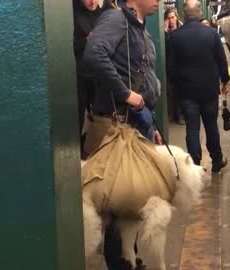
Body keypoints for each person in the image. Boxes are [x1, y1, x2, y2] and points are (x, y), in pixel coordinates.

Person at [82, 0, 162, 268]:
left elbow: (143, 75)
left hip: (136, 125)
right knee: (118, 205)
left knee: (133, 202)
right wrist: (126, 94)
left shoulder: (139, 28)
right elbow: (94, 54)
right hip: (117, 127)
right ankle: (121, 262)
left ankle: (129, 255)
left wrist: (153, 125)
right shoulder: (116, 20)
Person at [167, 0, 230, 173]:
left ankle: (195, 166)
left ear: (183, 15)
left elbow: (170, 68)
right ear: (200, 14)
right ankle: (216, 160)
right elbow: (221, 61)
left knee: (192, 129)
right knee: (211, 127)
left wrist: (178, 85)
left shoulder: (175, 37)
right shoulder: (211, 34)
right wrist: (224, 81)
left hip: (187, 94)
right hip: (209, 92)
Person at [73, 0, 105, 159]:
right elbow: (68, 44)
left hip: (99, 73)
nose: (92, 1)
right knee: (78, 115)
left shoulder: (104, 14)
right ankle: (79, 150)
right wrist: (86, 40)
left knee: (101, 115)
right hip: (80, 74)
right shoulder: (73, 14)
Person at [164, 8, 185, 125]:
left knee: (180, 92)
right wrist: (165, 31)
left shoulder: (181, 30)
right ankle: (172, 115)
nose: (171, 20)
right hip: (169, 66)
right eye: (168, 18)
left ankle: (181, 116)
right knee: (170, 93)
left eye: (172, 17)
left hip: (180, 66)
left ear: (176, 18)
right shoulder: (165, 33)